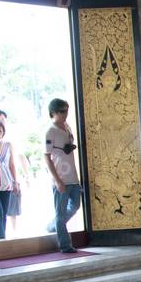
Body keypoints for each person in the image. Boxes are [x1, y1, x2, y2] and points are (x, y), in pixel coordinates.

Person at [44, 99, 82, 253]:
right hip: (60, 177)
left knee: (75, 205)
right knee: (60, 212)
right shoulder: (50, 131)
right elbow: (46, 156)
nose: (65, 114)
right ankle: (65, 245)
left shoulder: (67, 127)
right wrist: (57, 180)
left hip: (72, 175)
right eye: (62, 111)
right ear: (53, 112)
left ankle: (55, 225)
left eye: (66, 110)